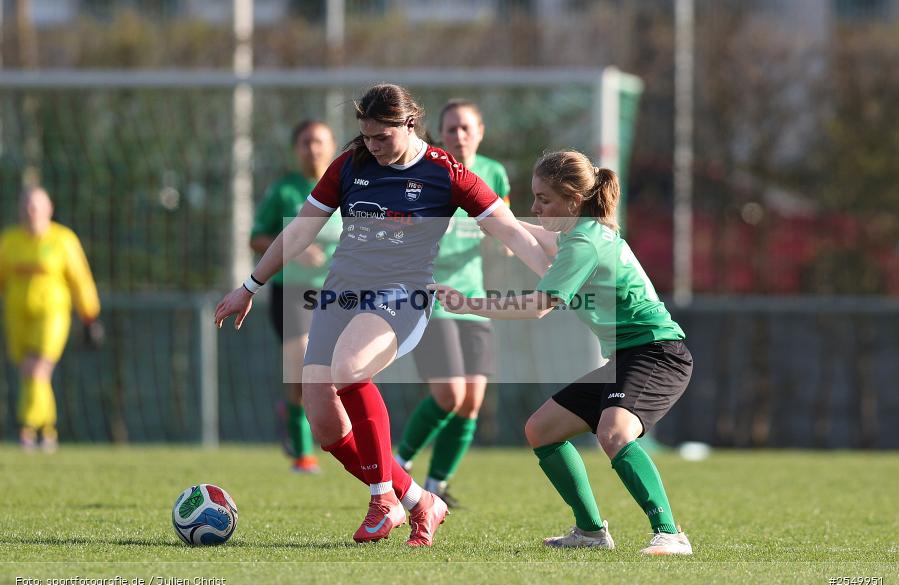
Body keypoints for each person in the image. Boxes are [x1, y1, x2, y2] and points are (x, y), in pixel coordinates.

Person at [214, 84, 550, 547]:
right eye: (366, 137)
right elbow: (299, 232)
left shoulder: (445, 172)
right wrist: (249, 286)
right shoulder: (350, 165)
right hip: (339, 295)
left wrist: (556, 285)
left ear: (409, 125)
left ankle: (382, 500)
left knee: (349, 369)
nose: (372, 147)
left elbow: (511, 232)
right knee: (325, 423)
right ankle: (419, 500)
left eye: (381, 138)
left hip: (402, 295)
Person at [431, 150, 694, 556]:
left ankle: (670, 533)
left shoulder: (585, 243)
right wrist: (493, 218)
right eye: (534, 197)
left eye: (544, 200)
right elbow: (541, 236)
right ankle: (590, 532)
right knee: (542, 430)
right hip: (625, 358)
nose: (536, 207)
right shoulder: (580, 234)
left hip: (657, 353)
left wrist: (467, 303)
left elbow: (538, 306)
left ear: (574, 199)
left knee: (614, 433)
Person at [397, 99, 511, 507]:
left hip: (473, 300)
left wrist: (509, 243)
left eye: (466, 128)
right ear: (438, 135)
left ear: (480, 131)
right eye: (450, 130)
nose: (459, 136)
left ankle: (437, 485)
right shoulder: (428, 172)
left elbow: (504, 224)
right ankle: (398, 464)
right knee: (449, 394)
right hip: (432, 296)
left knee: (472, 402)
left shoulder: (494, 172)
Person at [250, 119, 339, 474]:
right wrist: (295, 249)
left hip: (336, 291)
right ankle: (304, 454)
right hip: (291, 290)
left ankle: (293, 414)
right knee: (302, 365)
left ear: (333, 146)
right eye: (305, 142)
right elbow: (257, 237)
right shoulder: (284, 191)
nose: (313, 148)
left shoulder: (347, 189)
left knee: (331, 372)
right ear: (296, 149)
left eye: (319, 141)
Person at [0, 186, 103, 452]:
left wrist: (89, 315)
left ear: (49, 209)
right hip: (17, 315)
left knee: (37, 369)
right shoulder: (9, 242)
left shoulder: (62, 240)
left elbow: (80, 279)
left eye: (36, 206)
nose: (30, 211)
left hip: (52, 314)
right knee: (31, 374)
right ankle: (47, 430)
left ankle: (26, 429)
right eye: (26, 205)